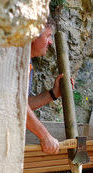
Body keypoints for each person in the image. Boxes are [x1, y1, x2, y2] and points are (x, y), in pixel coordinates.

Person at [27, 21, 73, 154]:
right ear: (33, 36)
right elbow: (17, 105)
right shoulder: (17, 61)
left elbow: (23, 103)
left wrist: (53, 94)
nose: (51, 42)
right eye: (48, 36)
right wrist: (45, 136)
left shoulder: (26, 62)